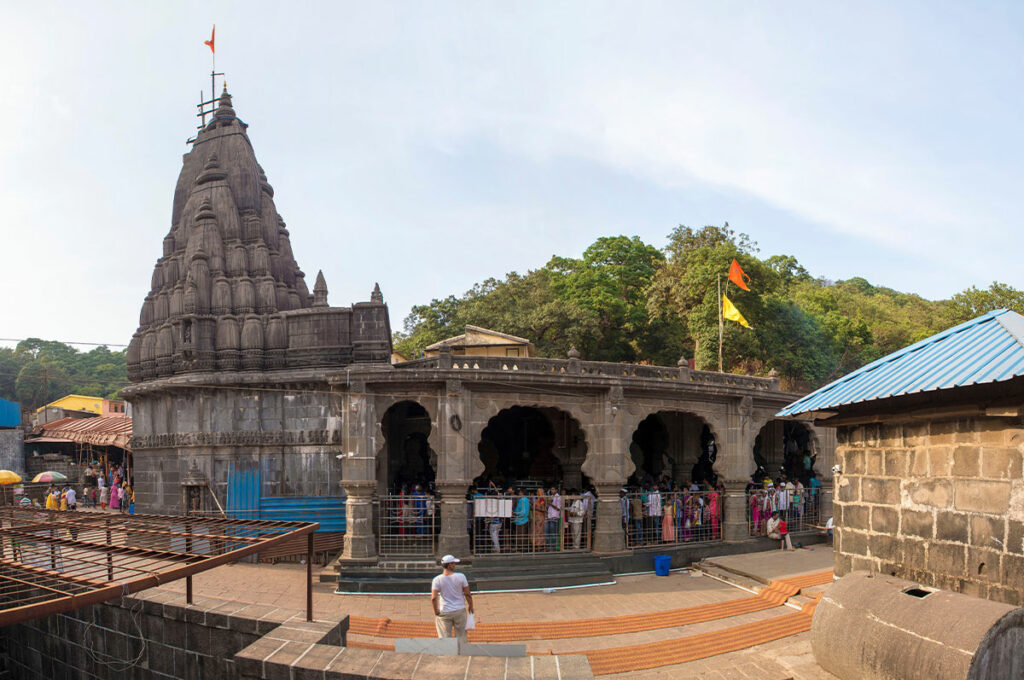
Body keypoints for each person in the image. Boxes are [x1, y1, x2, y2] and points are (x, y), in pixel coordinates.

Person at [431, 555, 474, 644]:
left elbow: (434, 598)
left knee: (444, 638)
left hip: (445, 611)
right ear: (450, 565)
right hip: (459, 610)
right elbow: (467, 594)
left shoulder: (437, 580)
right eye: (453, 563)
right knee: (461, 636)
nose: (455, 564)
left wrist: (436, 611)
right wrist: (470, 605)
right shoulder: (461, 577)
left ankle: (447, 655)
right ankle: (461, 654)